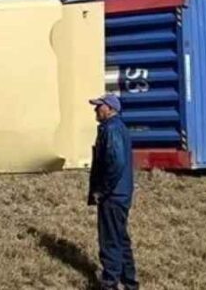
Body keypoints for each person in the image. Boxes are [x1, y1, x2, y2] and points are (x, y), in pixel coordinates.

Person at [87, 93, 138, 290]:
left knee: (110, 242)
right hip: (121, 194)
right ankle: (129, 283)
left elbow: (116, 163)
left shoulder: (111, 129)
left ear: (109, 108)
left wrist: (102, 190)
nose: (95, 109)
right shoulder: (119, 127)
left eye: (99, 106)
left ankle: (110, 284)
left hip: (113, 196)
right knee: (121, 239)